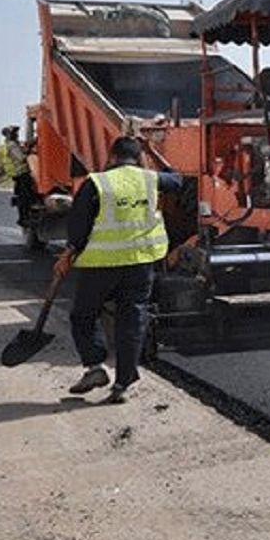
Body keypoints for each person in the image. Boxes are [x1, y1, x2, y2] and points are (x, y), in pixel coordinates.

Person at [54, 136, 182, 403]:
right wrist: (153, 153)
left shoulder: (96, 183)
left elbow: (78, 225)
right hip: (140, 263)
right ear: (138, 158)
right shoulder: (150, 179)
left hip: (101, 265)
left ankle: (95, 367)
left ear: (111, 156)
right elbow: (177, 179)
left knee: (84, 315)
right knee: (132, 320)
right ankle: (123, 382)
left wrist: (68, 253)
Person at [0, 125, 36, 226]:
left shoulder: (10, 144)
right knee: (26, 197)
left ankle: (25, 217)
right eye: (14, 133)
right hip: (21, 174)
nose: (16, 134)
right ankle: (24, 219)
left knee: (24, 196)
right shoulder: (12, 145)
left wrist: (27, 147)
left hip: (18, 174)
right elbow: (21, 158)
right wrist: (30, 151)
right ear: (9, 135)